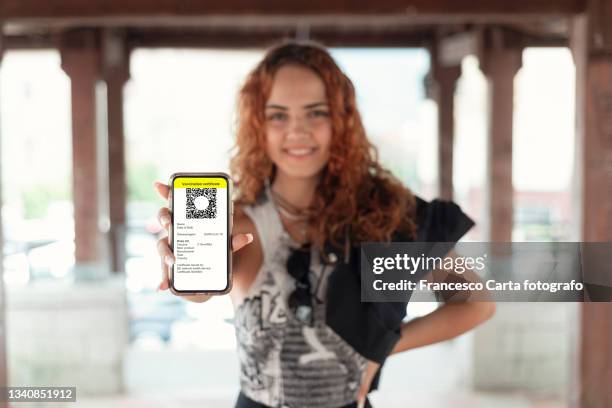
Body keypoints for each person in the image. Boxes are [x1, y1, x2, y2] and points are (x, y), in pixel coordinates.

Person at [154, 40, 495, 408]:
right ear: (259, 125)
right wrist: (187, 277)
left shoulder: (388, 217)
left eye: (315, 113)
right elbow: (203, 290)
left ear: (340, 120)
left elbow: (477, 303)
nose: (297, 130)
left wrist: (384, 346)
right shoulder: (238, 221)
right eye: (278, 115)